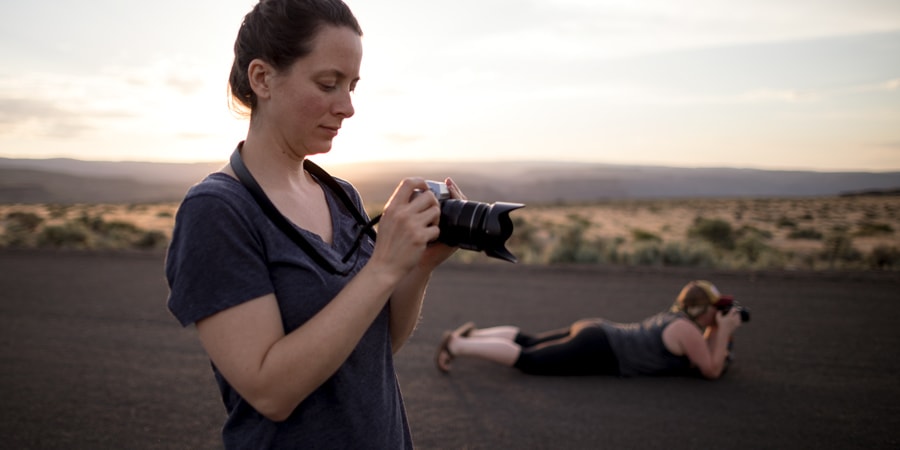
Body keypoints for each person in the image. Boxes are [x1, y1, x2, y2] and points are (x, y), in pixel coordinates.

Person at [165, 1, 464, 447]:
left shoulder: (341, 195)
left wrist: (417, 267)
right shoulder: (218, 211)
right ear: (262, 78)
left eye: (352, 86)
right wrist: (383, 267)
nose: (347, 107)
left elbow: (375, 349)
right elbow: (270, 391)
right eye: (328, 84)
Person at [435, 280, 743, 379]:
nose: (719, 314)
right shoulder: (688, 332)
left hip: (598, 332)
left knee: (529, 340)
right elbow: (711, 369)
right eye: (716, 309)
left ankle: (475, 336)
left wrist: (716, 328)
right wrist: (725, 329)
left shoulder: (676, 321)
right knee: (529, 360)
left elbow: (705, 353)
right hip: (599, 347)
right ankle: (458, 345)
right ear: (704, 310)